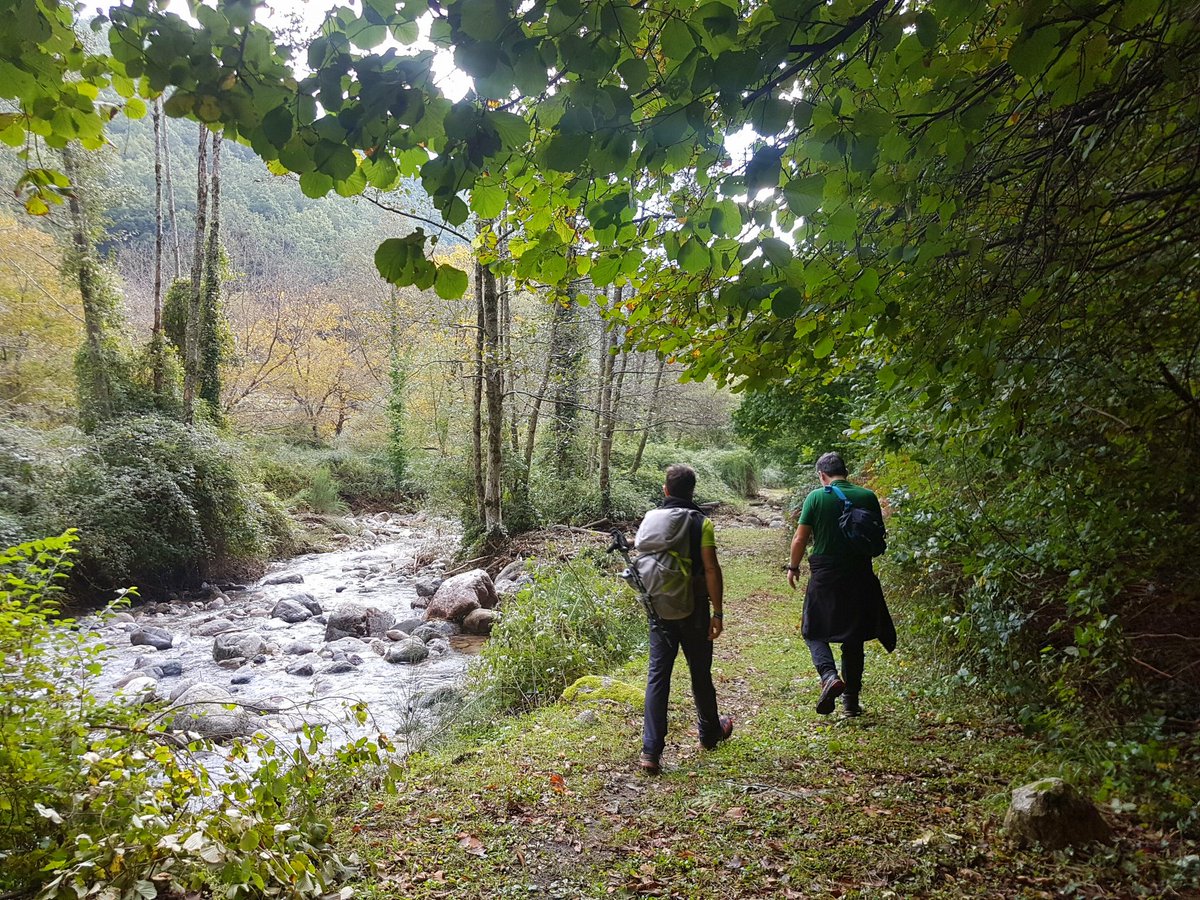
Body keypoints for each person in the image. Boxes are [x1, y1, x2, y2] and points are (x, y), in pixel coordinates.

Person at [639, 463, 734, 775]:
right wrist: (717, 612)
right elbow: (711, 568)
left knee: (658, 676)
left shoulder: (652, 518)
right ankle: (709, 733)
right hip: (694, 609)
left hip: (659, 609)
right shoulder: (701, 522)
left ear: (665, 490)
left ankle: (651, 751)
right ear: (693, 492)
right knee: (700, 672)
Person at [786, 452, 896, 717]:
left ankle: (829, 676)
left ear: (822, 475)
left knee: (812, 630)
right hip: (860, 573)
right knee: (853, 636)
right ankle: (850, 703)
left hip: (826, 575)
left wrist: (793, 567)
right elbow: (877, 535)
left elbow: (800, 539)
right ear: (845, 473)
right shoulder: (867, 496)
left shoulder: (816, 497)